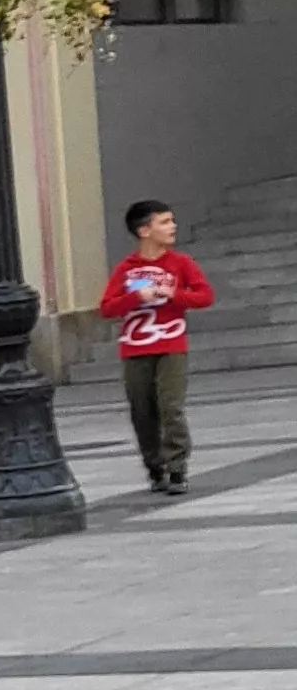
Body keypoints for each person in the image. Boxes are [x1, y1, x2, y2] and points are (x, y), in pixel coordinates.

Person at [100, 198, 216, 495]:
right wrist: (135, 298)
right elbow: (107, 308)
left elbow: (204, 296)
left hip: (171, 344)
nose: (172, 226)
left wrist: (173, 293)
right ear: (144, 231)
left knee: (171, 407)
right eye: (164, 222)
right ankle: (154, 466)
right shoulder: (126, 269)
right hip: (135, 348)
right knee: (142, 409)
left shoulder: (181, 263)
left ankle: (177, 468)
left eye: (171, 220)